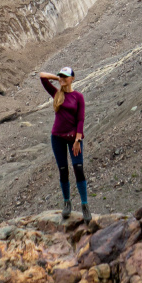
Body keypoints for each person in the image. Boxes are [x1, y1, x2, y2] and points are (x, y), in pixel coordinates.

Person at [40, 65, 90, 222]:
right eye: (61, 75)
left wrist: (77, 139)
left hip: (73, 138)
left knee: (78, 168)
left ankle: (84, 205)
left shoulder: (78, 97)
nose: (62, 78)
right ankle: (67, 203)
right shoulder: (57, 94)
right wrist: (59, 79)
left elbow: (81, 119)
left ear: (72, 78)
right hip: (57, 137)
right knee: (63, 170)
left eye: (65, 76)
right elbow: (42, 76)